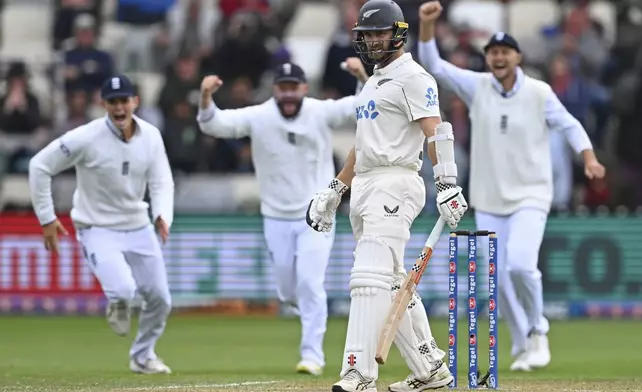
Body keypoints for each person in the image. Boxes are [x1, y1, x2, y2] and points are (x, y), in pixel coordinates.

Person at [417, 1, 606, 372]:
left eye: (505, 52)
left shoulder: (539, 92)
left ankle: (538, 332)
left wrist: (588, 157)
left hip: (531, 195)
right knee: (498, 280)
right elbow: (434, 66)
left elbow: (568, 124)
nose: (498, 58)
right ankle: (522, 343)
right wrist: (426, 25)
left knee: (520, 266)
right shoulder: (478, 87)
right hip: (489, 199)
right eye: (493, 53)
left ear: (517, 57)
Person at [305, 1, 468, 391]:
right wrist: (336, 187)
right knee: (393, 282)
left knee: (368, 278)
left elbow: (437, 131)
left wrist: (446, 182)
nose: (374, 41)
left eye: (380, 33)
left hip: (397, 181)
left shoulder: (414, 77)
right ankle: (431, 370)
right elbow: (364, 145)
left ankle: (358, 374)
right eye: (367, 34)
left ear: (398, 33)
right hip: (365, 183)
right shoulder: (374, 82)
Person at [197, 60, 367, 376]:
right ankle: (307, 319)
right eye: (283, 87)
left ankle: (312, 355)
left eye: (294, 87)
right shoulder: (260, 116)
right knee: (289, 291)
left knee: (310, 282)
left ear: (304, 88)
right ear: (275, 89)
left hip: (317, 213)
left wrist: (360, 76)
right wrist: (206, 96)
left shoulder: (319, 111)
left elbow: (359, 107)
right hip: (275, 216)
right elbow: (214, 124)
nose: (288, 94)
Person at [28, 75, 175, 375]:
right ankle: (118, 302)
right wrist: (47, 218)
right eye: (113, 102)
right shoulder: (85, 137)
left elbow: (161, 180)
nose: (119, 108)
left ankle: (143, 356)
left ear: (136, 101)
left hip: (138, 225)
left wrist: (162, 214)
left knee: (160, 299)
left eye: (125, 101)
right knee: (122, 291)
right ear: (102, 103)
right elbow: (39, 165)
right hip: (97, 228)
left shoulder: (152, 136)